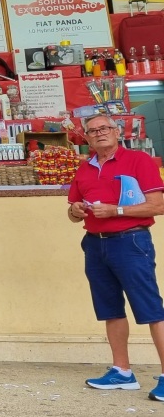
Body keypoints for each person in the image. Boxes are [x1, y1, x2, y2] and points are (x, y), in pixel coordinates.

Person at [67, 114, 164, 397]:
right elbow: (73, 211)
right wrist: (74, 211)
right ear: (85, 138)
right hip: (95, 244)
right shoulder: (84, 168)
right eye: (92, 131)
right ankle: (122, 372)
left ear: (117, 131)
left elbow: (157, 205)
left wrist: (115, 211)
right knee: (110, 309)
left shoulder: (138, 161)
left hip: (131, 241)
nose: (99, 133)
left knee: (151, 310)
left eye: (105, 128)